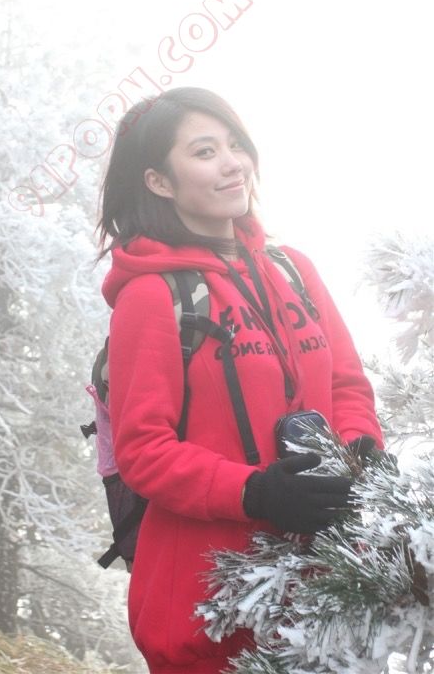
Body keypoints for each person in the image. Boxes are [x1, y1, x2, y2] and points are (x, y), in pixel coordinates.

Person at [95, 87, 383, 674]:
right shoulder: (151, 296)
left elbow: (347, 385)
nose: (233, 164)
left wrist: (359, 450)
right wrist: (256, 493)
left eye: (235, 145)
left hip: (325, 583)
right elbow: (143, 450)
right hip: (210, 606)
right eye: (205, 152)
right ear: (159, 181)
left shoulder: (292, 269)